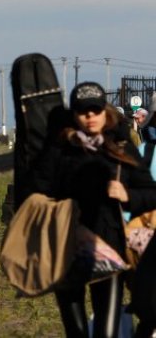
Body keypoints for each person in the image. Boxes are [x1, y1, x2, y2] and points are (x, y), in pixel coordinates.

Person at [31, 81, 156, 338]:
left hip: (109, 247)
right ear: (73, 114)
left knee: (107, 332)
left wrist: (127, 195)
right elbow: (36, 190)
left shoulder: (120, 146)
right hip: (66, 248)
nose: (90, 117)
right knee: (76, 331)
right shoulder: (59, 148)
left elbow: (151, 193)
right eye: (82, 111)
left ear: (104, 112)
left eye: (95, 110)